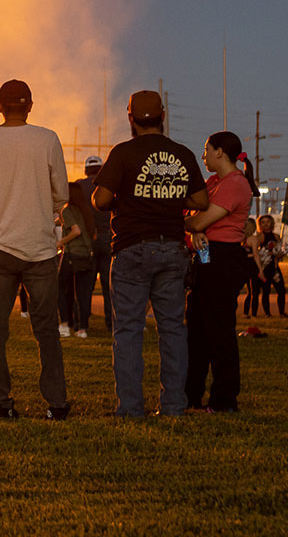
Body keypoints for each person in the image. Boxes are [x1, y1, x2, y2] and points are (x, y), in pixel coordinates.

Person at [92, 91, 208, 418]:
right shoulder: (182, 154)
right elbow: (200, 201)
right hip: (172, 248)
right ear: (163, 115)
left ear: (130, 118)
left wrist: (127, 200)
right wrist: (168, 199)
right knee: (172, 329)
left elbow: (100, 200)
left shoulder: (124, 153)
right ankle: (173, 406)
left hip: (131, 248)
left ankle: (130, 408)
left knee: (128, 329)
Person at [0, 79, 70, 420]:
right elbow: (61, 194)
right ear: (30, 106)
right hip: (40, 247)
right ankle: (56, 404)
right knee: (47, 331)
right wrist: (46, 211)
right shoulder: (47, 139)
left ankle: (2, 402)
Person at [184, 131, 259, 412]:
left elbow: (199, 219)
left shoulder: (235, 184)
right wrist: (193, 231)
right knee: (197, 330)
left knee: (219, 332)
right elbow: (189, 218)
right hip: (206, 258)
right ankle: (192, 396)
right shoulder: (214, 182)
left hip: (223, 260)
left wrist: (194, 227)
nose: (203, 155)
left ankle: (224, 399)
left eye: (206, 150)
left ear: (220, 153)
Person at [75, 156, 113, 332]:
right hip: (108, 240)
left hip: (86, 241)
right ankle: (111, 323)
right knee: (109, 285)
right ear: (101, 170)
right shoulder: (108, 186)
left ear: (85, 170)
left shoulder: (79, 186)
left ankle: (83, 323)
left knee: (85, 286)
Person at [55, 183, 97, 338]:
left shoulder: (67, 210)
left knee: (59, 287)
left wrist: (60, 242)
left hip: (72, 255)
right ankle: (82, 329)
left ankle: (64, 325)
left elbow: (76, 231)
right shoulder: (84, 211)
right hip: (86, 256)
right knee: (83, 293)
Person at [256, 214, 286, 315]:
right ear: (260, 224)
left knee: (281, 290)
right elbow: (256, 252)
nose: (265, 224)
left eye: (267, 222)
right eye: (263, 222)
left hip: (275, 268)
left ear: (272, 223)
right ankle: (267, 313)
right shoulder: (259, 237)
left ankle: (282, 312)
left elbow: (281, 250)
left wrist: (279, 253)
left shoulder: (276, 236)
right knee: (266, 291)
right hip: (265, 268)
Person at [242, 218, 267, 317]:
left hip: (243, 266)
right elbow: (256, 255)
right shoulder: (253, 239)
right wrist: (260, 270)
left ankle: (245, 313)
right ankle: (254, 313)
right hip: (252, 266)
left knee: (248, 291)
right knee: (254, 292)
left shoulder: (240, 238)